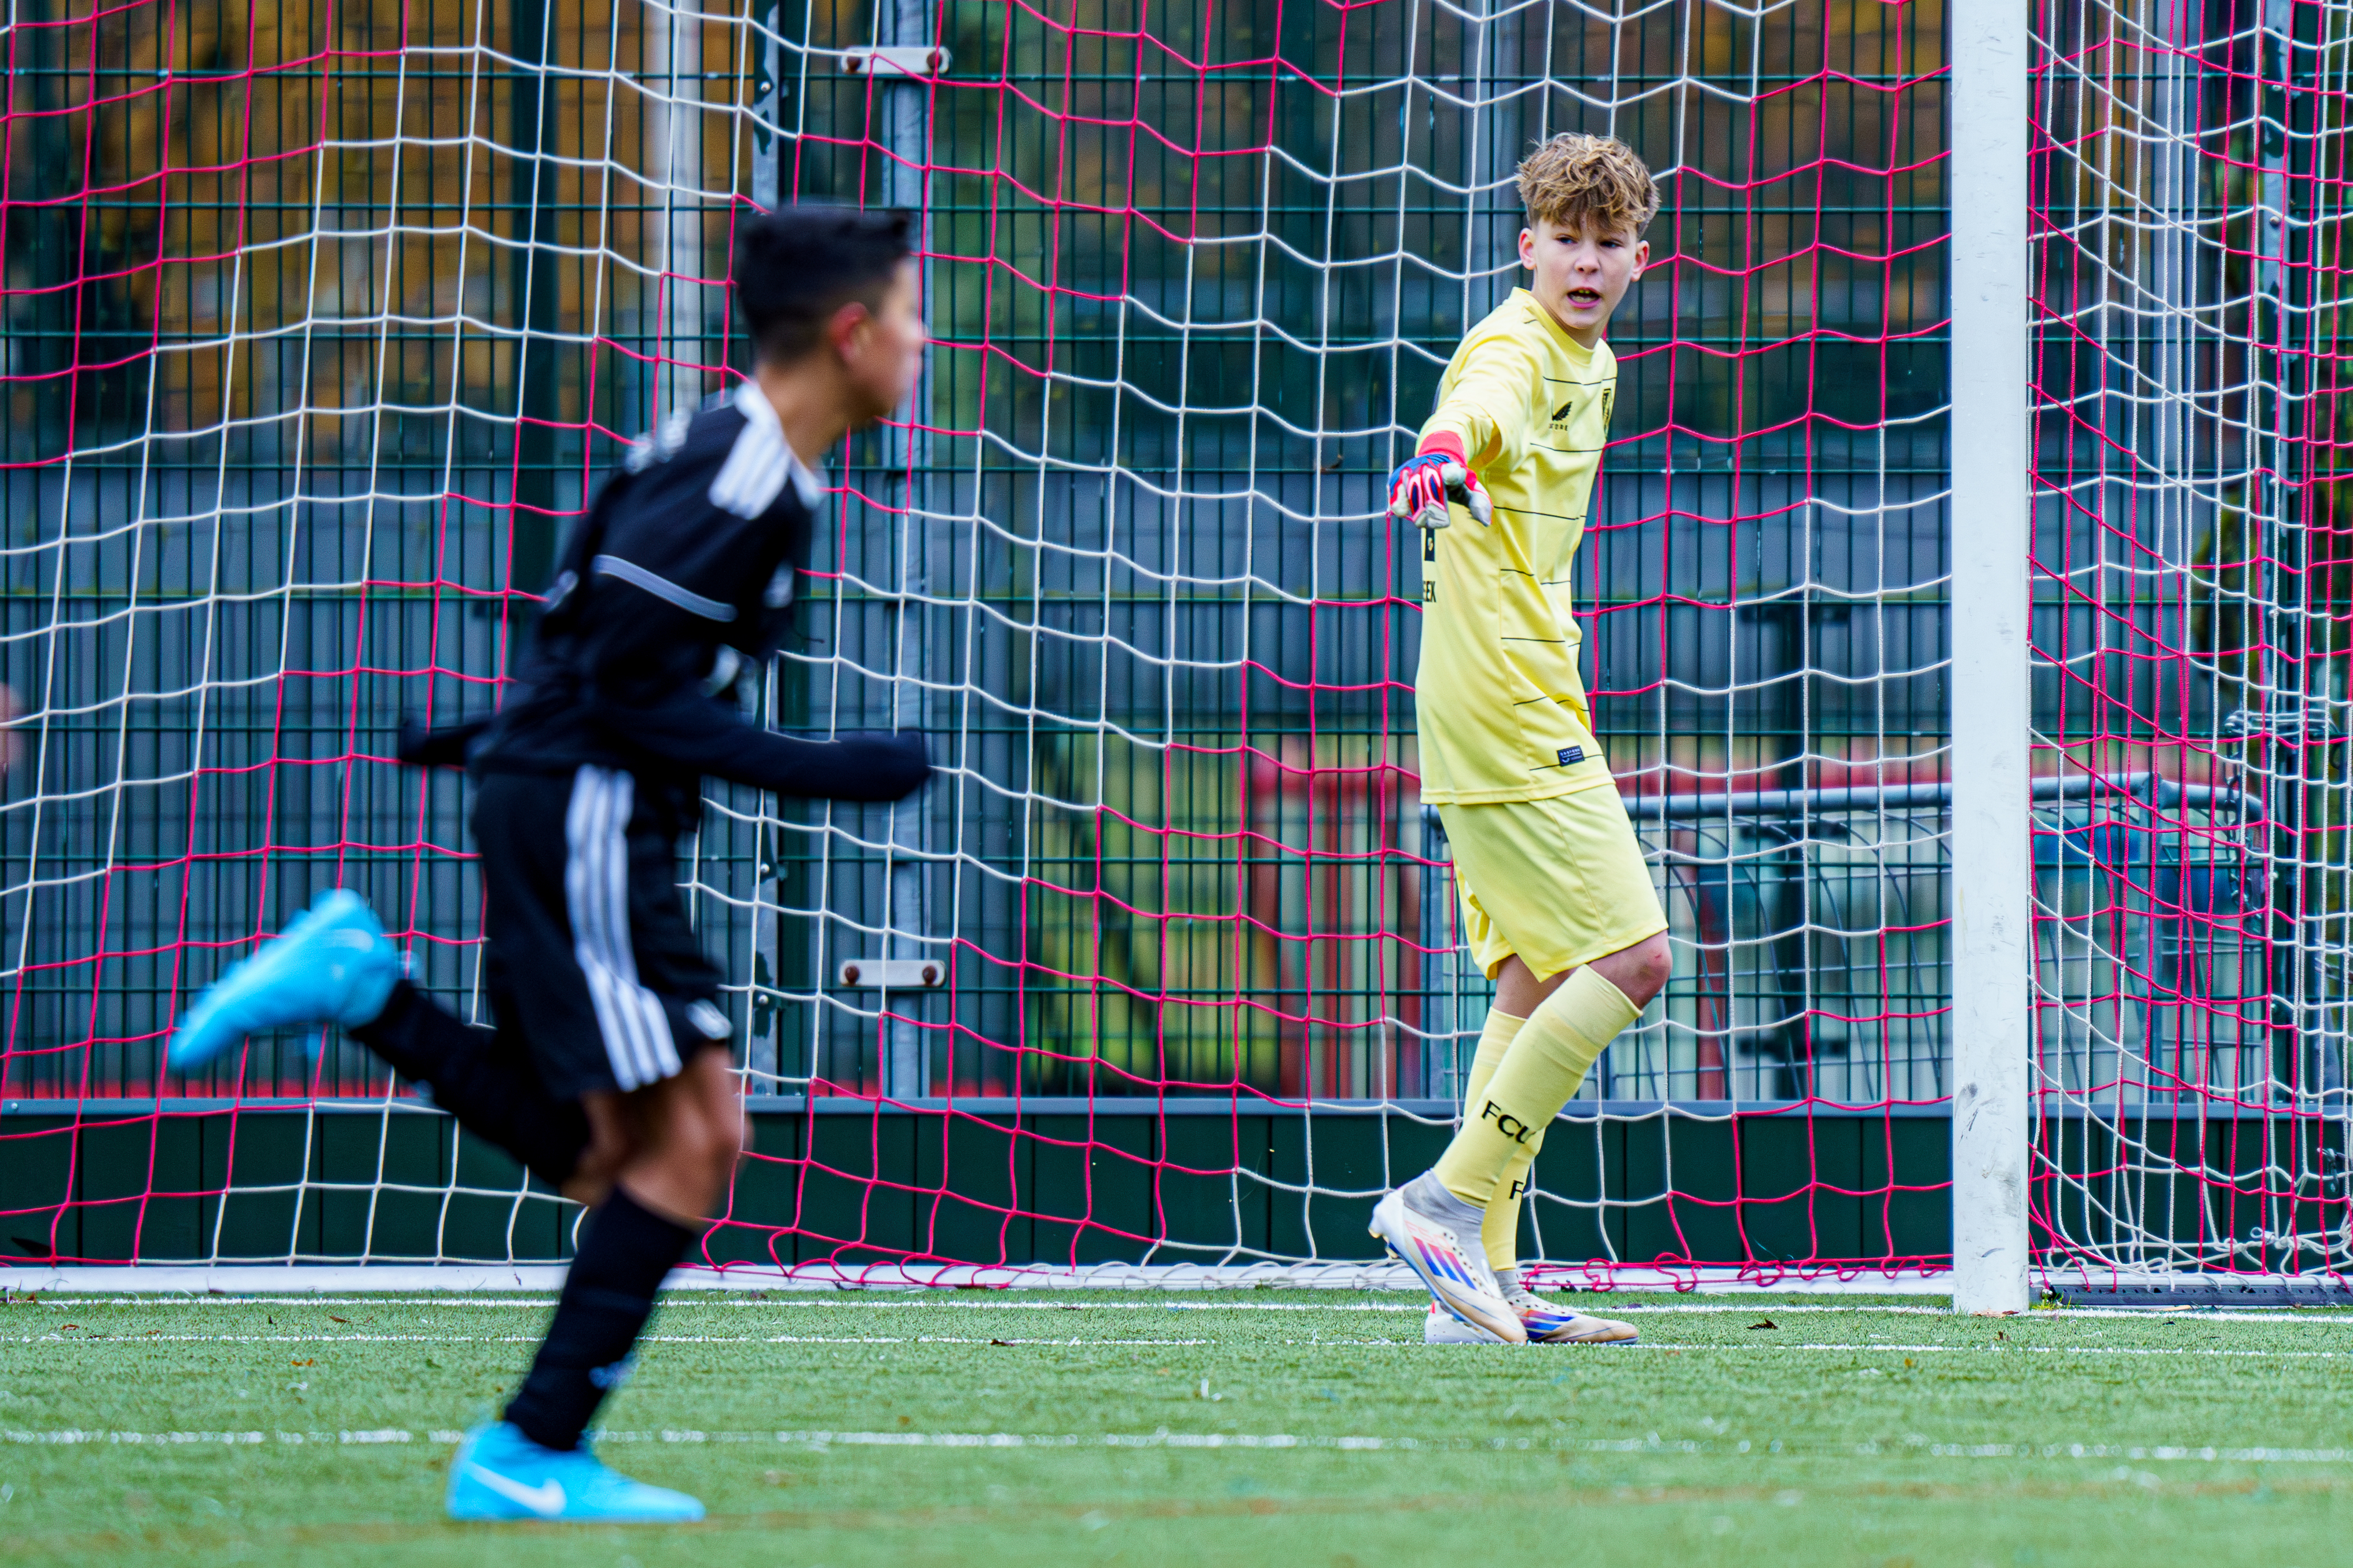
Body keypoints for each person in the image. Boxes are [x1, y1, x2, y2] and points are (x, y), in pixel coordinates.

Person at [166, 205, 934, 1518]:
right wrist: (834, 769)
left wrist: (482, 733)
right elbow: (626, 685)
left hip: (570, 795)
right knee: (689, 1142)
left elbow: (590, 638)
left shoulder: (739, 457)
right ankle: (526, 1450)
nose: (926, 343)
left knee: (630, 1154)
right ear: (852, 333)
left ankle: (372, 997)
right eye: (913, 315)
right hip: (586, 810)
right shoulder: (739, 475)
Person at [1372, 134, 1670, 1347]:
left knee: (1532, 973)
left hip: (1503, 682)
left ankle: (1477, 1287)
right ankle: (1443, 1198)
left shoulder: (1587, 356)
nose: (1585, 261)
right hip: (1506, 698)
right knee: (1637, 956)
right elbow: (1475, 409)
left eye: (1608, 242)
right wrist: (1442, 457)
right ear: (1525, 247)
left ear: (1638, 261)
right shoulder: (1514, 342)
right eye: (1566, 237)